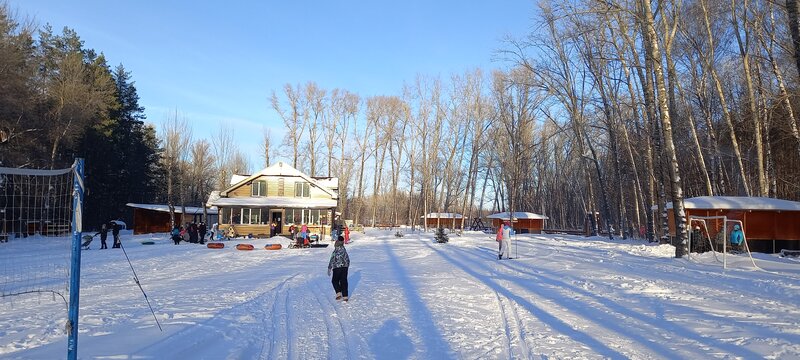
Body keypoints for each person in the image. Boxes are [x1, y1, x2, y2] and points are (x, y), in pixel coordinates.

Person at [327, 236, 351, 301]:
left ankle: (338, 293)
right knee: (343, 281)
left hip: (337, 267)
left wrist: (329, 267)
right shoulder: (344, 249)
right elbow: (348, 259)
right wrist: (347, 266)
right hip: (345, 267)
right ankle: (345, 296)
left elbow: (332, 259)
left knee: (334, 281)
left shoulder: (336, 250)